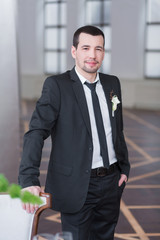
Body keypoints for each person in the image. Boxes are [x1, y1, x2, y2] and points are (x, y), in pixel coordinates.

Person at [18, 25, 130, 240]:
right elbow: (36, 132)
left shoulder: (112, 83)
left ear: (104, 53)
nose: (92, 55)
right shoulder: (57, 86)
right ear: (74, 51)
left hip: (111, 183)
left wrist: (124, 167)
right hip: (77, 184)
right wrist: (28, 179)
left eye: (98, 49)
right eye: (86, 48)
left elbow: (117, 129)